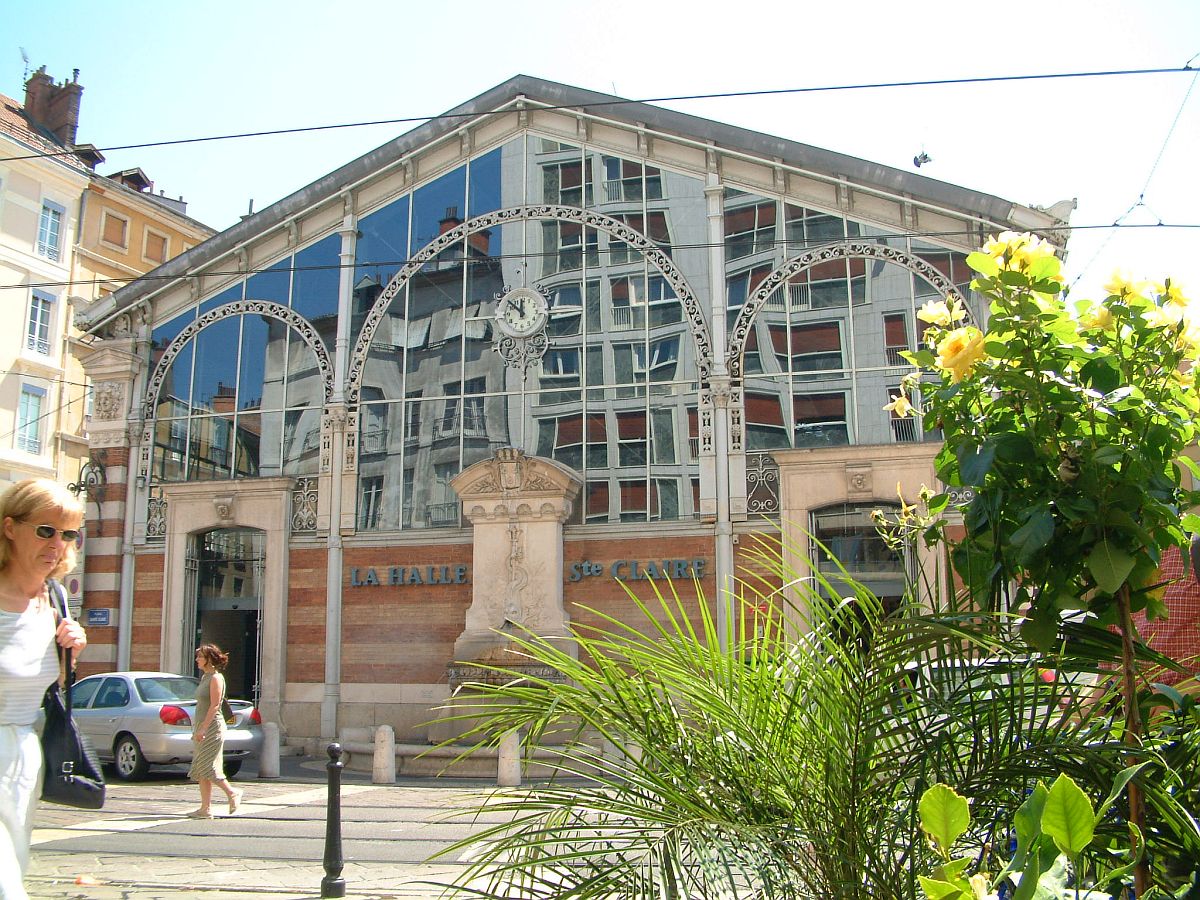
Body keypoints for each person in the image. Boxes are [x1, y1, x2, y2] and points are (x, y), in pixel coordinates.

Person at [0, 479, 88, 900]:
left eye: (68, 533)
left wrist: (71, 656)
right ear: (9, 527)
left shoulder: (53, 600)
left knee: (13, 866)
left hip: (23, 758)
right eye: (45, 530)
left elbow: (49, 687)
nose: (58, 543)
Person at [186, 643, 242, 819]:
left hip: (212, 728)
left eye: (200, 657)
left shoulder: (216, 678)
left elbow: (215, 705)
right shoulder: (205, 677)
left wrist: (203, 727)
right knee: (201, 768)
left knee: (208, 766)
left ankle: (232, 793)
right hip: (202, 726)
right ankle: (205, 808)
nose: (197, 660)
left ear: (208, 659)